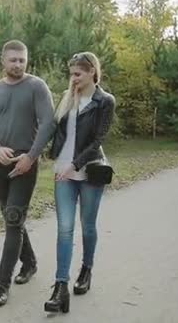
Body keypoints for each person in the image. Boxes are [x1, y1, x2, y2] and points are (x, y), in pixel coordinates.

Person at [0, 40, 56, 306]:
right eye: (13, 60)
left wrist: (31, 157)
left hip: (25, 164)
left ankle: (1, 285)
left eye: (22, 60)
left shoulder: (36, 86)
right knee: (14, 220)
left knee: (13, 221)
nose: (18, 64)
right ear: (3, 60)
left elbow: (48, 122)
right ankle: (30, 262)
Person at [44, 52, 116, 313]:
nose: (73, 78)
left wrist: (75, 165)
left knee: (87, 226)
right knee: (64, 229)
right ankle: (60, 287)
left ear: (92, 72)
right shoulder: (67, 97)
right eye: (71, 73)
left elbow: (98, 140)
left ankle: (86, 269)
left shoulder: (105, 101)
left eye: (78, 74)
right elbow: (54, 131)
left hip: (89, 172)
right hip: (62, 172)